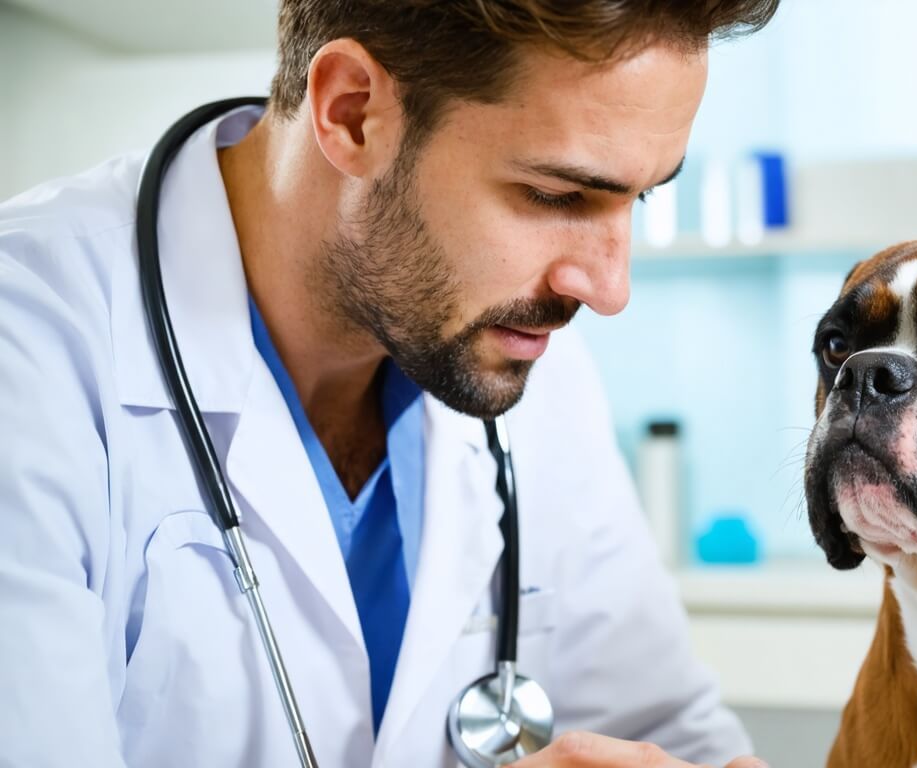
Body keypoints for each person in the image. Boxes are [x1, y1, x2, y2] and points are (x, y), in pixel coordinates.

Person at [0, 1, 778, 765]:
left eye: (637, 197)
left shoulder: (523, 358)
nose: (609, 289)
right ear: (352, 112)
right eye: (556, 195)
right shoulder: (32, 341)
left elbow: (665, 731)